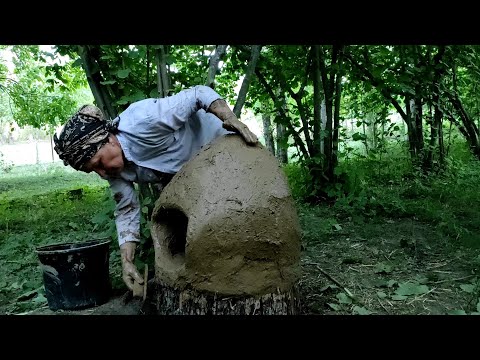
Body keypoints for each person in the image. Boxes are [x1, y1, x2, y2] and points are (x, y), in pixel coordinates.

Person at [53, 85, 258, 292]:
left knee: (240, 216)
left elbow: (198, 94)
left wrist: (229, 117)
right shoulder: (115, 171)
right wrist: (127, 262)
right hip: (190, 176)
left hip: (220, 149)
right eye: (94, 171)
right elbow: (126, 210)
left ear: (107, 140)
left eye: (98, 163)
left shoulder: (142, 120)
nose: (102, 174)